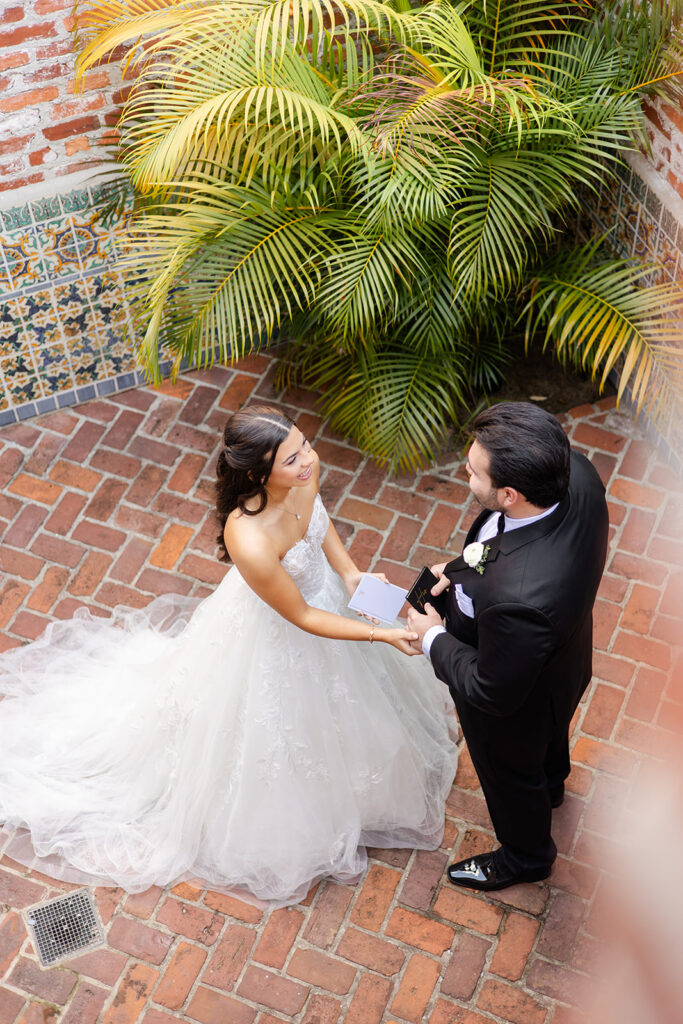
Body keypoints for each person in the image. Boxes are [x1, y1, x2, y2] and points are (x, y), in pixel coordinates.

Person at [0, 404, 457, 905]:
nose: (308, 460)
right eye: (292, 458)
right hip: (281, 626)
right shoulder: (248, 537)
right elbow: (301, 617)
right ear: (259, 474)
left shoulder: (307, 471)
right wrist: (378, 635)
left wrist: (352, 577)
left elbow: (317, 523)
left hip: (321, 599)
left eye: (305, 444)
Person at [407, 401, 608, 891]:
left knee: (509, 774)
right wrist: (457, 572)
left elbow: (491, 689)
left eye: (473, 471)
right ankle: (553, 785)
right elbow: (503, 550)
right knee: (548, 745)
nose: (466, 473)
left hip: (514, 706)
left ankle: (526, 857)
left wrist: (430, 637)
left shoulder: (520, 599)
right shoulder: (575, 473)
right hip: (561, 665)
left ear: (510, 493)